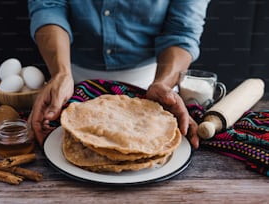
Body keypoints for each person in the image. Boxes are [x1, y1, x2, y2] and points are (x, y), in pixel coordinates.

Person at [28, 0, 211, 148]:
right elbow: (48, 7)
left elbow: (182, 31)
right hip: (70, 81)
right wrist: (60, 73)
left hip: (153, 83)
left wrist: (163, 84)